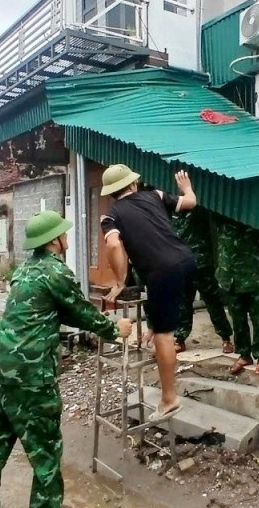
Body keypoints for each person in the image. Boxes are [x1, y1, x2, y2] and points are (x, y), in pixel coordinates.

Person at [0, 210, 133, 508]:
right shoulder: (57, 272)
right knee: (45, 459)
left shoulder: (24, 270)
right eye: (64, 233)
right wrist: (114, 328)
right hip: (30, 377)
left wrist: (98, 321)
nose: (67, 237)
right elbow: (79, 310)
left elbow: (61, 310)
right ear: (55, 240)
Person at [100, 165, 197, 422]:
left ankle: (169, 399)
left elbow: (112, 244)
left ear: (110, 192)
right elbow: (190, 202)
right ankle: (155, 325)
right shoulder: (155, 195)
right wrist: (185, 188)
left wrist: (120, 280)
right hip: (187, 261)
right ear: (132, 184)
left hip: (162, 271)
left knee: (165, 335)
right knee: (161, 311)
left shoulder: (110, 216)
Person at [172, 207, 235, 354]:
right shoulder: (171, 211)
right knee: (183, 303)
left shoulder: (199, 209)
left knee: (213, 302)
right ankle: (180, 339)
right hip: (181, 264)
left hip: (202, 264)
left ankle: (226, 338)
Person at [216, 216, 259, 376]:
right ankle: (244, 355)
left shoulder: (253, 225)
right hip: (231, 282)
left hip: (251, 281)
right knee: (238, 321)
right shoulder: (221, 222)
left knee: (258, 319)